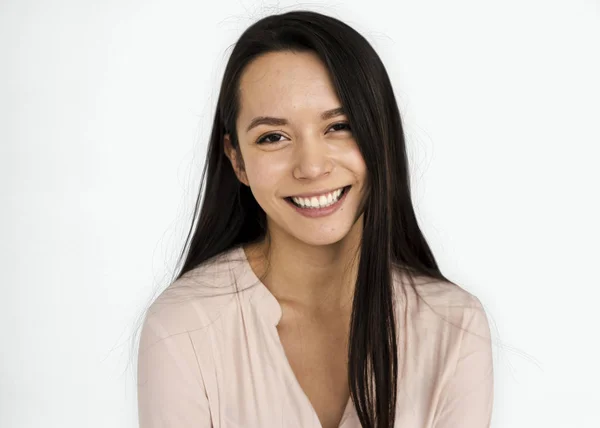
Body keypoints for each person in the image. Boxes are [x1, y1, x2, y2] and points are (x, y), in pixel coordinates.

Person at [136, 10, 494, 428]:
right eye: (273, 137)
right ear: (237, 160)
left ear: (381, 134)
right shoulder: (183, 328)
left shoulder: (453, 325)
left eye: (339, 126)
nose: (310, 167)